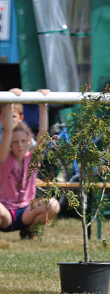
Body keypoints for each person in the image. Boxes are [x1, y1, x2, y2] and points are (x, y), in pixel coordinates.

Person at [0, 90, 57, 239]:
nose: (19, 145)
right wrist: (9, 101)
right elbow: (7, 130)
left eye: (23, 141)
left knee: (53, 205)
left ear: (28, 142)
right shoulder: (4, 158)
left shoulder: (33, 158)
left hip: (26, 212)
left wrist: (43, 104)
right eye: (15, 142)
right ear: (9, 144)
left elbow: (43, 134)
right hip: (5, 214)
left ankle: (29, 230)